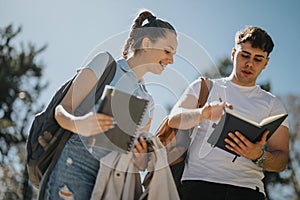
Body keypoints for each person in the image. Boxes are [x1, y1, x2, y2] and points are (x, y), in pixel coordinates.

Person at [39, 10, 177, 199]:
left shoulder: (148, 102)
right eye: (167, 51)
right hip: (75, 166)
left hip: (112, 182)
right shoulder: (105, 64)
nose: (171, 60)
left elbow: (138, 160)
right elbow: (61, 110)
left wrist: (140, 157)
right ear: (146, 43)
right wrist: (81, 123)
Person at [168, 26, 289, 200]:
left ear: (266, 63)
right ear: (233, 54)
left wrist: (259, 156)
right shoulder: (204, 86)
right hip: (198, 186)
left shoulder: (273, 104)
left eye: (258, 59)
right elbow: (174, 119)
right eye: (245, 55)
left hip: (247, 190)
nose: (249, 63)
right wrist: (204, 113)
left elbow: (281, 160)